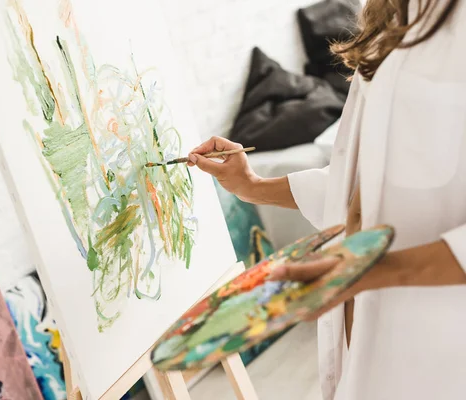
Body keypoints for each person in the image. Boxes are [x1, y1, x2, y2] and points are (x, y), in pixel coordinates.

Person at [187, 0, 466, 399]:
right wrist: (252, 185)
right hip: (361, 332)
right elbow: (366, 178)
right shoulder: (391, 12)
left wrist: (378, 270)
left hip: (438, 343)